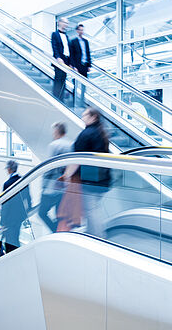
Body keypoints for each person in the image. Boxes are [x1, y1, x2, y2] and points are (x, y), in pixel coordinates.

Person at [59, 108, 111, 236]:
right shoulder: (101, 132)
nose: (82, 118)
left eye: (85, 115)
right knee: (93, 208)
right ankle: (93, 233)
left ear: (93, 117)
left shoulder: (86, 134)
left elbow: (76, 159)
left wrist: (66, 175)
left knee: (91, 210)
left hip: (90, 179)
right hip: (103, 178)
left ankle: (99, 238)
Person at [39, 122, 71, 233]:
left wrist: (43, 185)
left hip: (52, 186)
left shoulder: (54, 145)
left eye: (53, 131)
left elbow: (50, 167)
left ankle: (55, 231)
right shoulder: (70, 144)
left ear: (56, 132)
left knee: (41, 212)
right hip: (65, 186)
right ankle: (59, 232)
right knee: (59, 213)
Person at [1, 160, 31, 253]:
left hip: (9, 218)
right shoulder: (23, 180)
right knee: (15, 237)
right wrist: (27, 212)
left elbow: (5, 204)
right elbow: (28, 198)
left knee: (10, 241)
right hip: (20, 216)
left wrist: (3, 221)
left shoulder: (7, 184)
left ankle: (12, 257)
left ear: (9, 169)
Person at [69, 23, 92, 106]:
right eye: (80, 30)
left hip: (85, 65)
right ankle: (74, 101)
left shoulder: (86, 41)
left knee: (84, 85)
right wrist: (73, 66)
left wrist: (89, 65)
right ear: (77, 31)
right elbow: (72, 54)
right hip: (77, 66)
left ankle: (82, 102)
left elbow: (88, 53)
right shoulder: (73, 41)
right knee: (76, 83)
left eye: (82, 30)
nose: (81, 31)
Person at [51, 18, 72, 101]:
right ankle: (56, 99)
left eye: (67, 23)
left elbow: (68, 50)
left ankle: (61, 99)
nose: (66, 24)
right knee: (58, 79)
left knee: (63, 80)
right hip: (59, 60)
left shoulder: (66, 36)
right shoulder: (55, 34)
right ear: (59, 22)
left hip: (66, 60)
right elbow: (54, 46)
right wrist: (58, 57)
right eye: (64, 22)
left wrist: (70, 62)